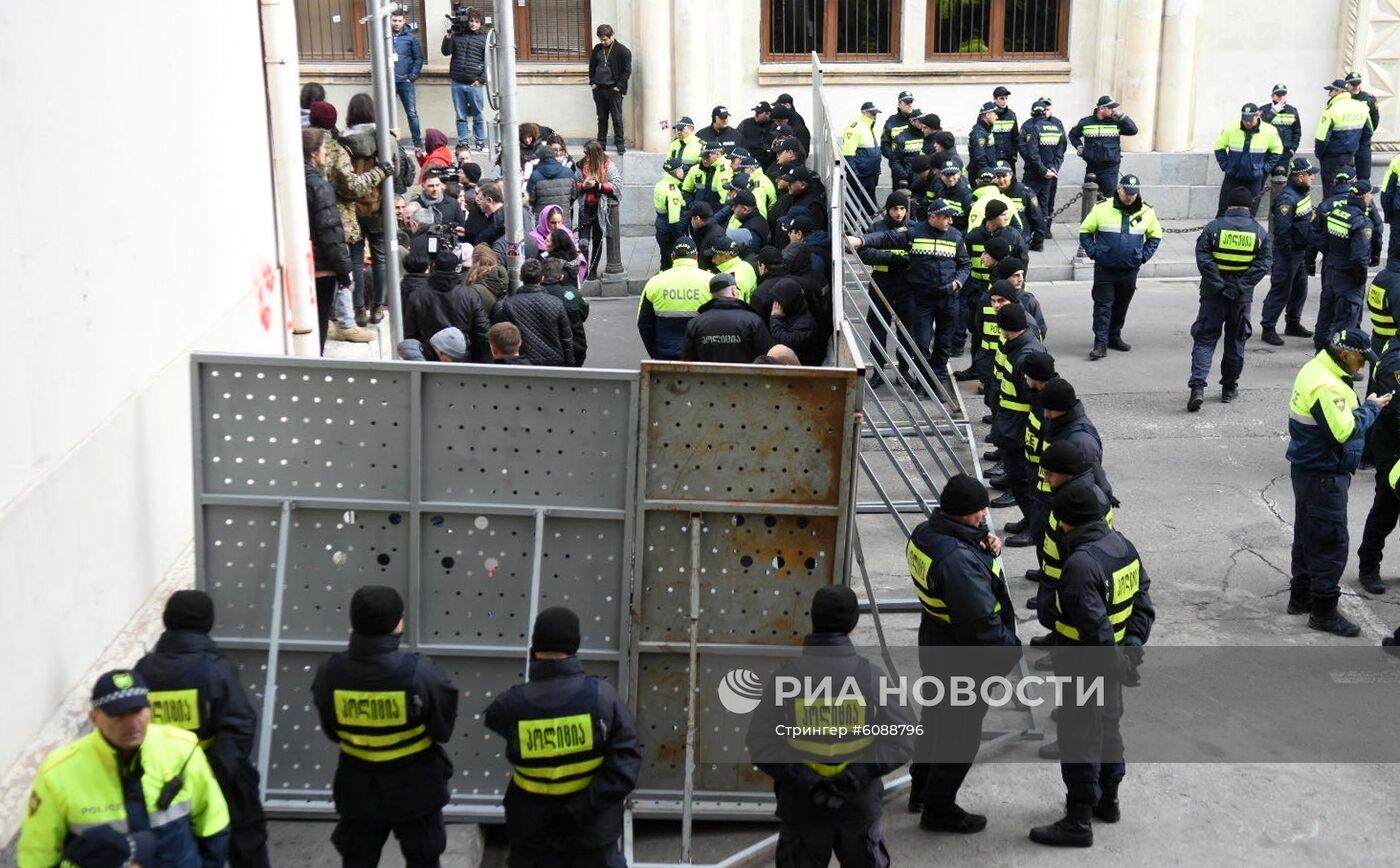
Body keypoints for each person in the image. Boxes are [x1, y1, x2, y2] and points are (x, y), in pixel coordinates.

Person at [746, 586, 914, 865]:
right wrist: (856, 777)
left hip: (802, 807)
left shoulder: (786, 678)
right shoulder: (870, 677)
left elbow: (761, 742)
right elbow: (904, 736)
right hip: (858, 808)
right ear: (853, 624)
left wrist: (808, 782)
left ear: (813, 618)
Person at [1028, 482, 1153, 848]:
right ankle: (1107, 801)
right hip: (1114, 660)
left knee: (1079, 737)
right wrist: (1129, 650)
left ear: (1065, 522)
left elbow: (1093, 626)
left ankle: (1078, 820)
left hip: (1087, 662)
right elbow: (1143, 605)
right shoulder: (1123, 547)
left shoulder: (1081, 564)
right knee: (1108, 730)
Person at [19, 669, 230, 867]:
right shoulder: (59, 772)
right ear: (95, 718)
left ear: (150, 707)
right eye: (118, 714)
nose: (131, 723)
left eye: (137, 711)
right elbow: (37, 855)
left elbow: (214, 823)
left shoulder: (182, 750)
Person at [312, 585, 458, 867]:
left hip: (357, 787)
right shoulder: (420, 671)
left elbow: (331, 729)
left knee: (358, 860)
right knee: (424, 859)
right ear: (397, 623)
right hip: (417, 788)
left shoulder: (330, 670)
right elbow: (443, 727)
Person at [905, 474, 1020, 831]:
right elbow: (981, 623)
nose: (985, 514)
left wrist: (980, 543)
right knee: (960, 735)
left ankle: (921, 790)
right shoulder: (958, 562)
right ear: (958, 514)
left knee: (936, 720)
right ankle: (939, 809)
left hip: (937, 643)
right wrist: (1008, 653)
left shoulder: (925, 534)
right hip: (964, 655)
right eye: (978, 511)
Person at [484, 607, 640, 867]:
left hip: (531, 834)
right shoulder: (603, 698)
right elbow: (625, 767)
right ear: (575, 646)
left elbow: (494, 721)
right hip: (592, 834)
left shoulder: (510, 703)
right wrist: (577, 812)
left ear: (535, 647)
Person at [134, 590, 269, 868]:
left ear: (167, 620)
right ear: (208, 623)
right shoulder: (216, 669)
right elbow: (240, 724)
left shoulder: (144, 669)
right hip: (219, 776)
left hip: (157, 777)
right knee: (245, 841)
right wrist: (211, 770)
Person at [1285, 328, 1391, 634]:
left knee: (1307, 533)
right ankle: (1323, 613)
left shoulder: (1316, 368)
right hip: (1324, 474)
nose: (1361, 368)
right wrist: (1371, 408)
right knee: (1331, 541)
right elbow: (1343, 431)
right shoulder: (1326, 385)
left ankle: (1301, 596)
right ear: (1344, 355)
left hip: (1309, 470)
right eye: (1360, 361)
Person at [848, 200, 971, 396]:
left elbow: (965, 265)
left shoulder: (955, 236)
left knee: (944, 344)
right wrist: (861, 240)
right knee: (921, 345)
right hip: (923, 300)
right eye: (946, 217)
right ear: (932, 217)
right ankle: (923, 385)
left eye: (951, 217)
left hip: (949, 299)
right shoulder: (914, 232)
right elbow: (886, 238)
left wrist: (957, 283)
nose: (950, 220)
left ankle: (936, 384)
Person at [1187, 186, 1274, 410]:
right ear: (1249, 206)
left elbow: (1203, 258)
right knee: (1235, 342)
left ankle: (1198, 387)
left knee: (1205, 340)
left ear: (1229, 205)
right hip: (1241, 299)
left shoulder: (1213, 228)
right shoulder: (1258, 232)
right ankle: (1228, 388)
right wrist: (1239, 287)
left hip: (1212, 296)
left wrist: (1219, 285)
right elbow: (1263, 264)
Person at [1078, 175, 1163, 359]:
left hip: (1129, 269)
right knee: (1103, 306)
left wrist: (1143, 257)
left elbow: (1155, 236)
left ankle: (1114, 336)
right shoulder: (1102, 208)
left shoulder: (1146, 211)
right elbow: (1085, 231)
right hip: (1105, 269)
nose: (1130, 197)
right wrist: (1095, 253)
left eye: (1134, 194)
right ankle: (1100, 344)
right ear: (1118, 189)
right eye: (1127, 193)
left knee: (1122, 305)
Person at [989, 304, 1050, 528]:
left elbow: (1031, 399)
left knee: (1021, 479)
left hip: (1018, 427)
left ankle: (1033, 525)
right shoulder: (1019, 346)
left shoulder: (1023, 356)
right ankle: (1030, 520)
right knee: (1019, 478)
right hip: (1012, 422)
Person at [341, 93, 400, 325]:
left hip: (352, 207)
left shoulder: (343, 141)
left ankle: (358, 309)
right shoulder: (384, 138)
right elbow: (394, 172)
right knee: (381, 258)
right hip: (379, 207)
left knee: (354, 260)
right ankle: (377, 307)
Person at [305, 128, 364, 352]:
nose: (326, 154)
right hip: (322, 266)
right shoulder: (319, 185)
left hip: (309, 262)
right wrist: (343, 271)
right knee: (318, 321)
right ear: (313, 153)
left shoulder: (299, 179)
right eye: (322, 150)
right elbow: (330, 231)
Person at [1260, 158, 1319, 345]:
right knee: (1281, 290)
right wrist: (1286, 256)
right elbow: (1283, 231)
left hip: (1300, 251)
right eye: (1310, 174)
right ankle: (1268, 327)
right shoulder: (1287, 199)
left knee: (1300, 289)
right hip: (1288, 253)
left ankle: (1292, 323)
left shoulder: (1302, 193)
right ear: (1300, 177)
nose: (1313, 177)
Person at [1358, 329, 1400, 593]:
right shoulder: (1395, 362)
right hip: (1393, 447)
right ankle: (1369, 566)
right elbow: (1396, 413)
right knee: (1386, 507)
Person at [1311, 180, 1379, 343]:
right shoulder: (1362, 222)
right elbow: (1359, 257)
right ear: (1364, 197)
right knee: (1346, 323)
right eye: (1371, 195)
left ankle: (1320, 350)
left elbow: (1320, 240)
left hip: (1331, 269)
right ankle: (1338, 360)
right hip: (1348, 276)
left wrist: (1332, 256)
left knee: (1326, 315)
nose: (1372, 198)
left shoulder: (1336, 213)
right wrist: (1360, 279)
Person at [858, 193, 913, 387]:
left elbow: (915, 255)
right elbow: (865, 253)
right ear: (887, 210)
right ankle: (878, 372)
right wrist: (893, 258)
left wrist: (886, 255)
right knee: (878, 329)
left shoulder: (913, 229)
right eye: (895, 209)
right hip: (881, 284)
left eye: (902, 209)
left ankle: (904, 371)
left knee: (906, 331)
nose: (899, 213)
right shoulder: (876, 228)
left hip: (906, 287)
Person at [403, 249, 493, 362]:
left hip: (430, 355)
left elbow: (410, 333)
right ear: (456, 268)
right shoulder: (469, 295)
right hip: (462, 355)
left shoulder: (417, 296)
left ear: (433, 266)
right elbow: (482, 331)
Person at [491, 259, 576, 367]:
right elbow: (566, 339)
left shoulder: (508, 305)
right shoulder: (556, 303)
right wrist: (570, 366)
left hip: (523, 362)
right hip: (553, 361)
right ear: (542, 278)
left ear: (520, 277)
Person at [637, 239, 712, 360]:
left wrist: (655, 352)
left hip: (665, 355)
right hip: (701, 355)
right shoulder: (710, 281)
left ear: (672, 257)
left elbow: (644, 323)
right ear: (696, 256)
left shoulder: (655, 282)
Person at [681, 273, 773, 363]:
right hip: (744, 378)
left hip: (706, 378)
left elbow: (687, 360)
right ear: (733, 291)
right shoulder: (753, 321)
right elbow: (766, 357)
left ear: (712, 295)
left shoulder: (695, 323)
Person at [1212, 103, 1284, 217]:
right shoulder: (1231, 128)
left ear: (1258, 116)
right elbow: (1219, 147)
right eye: (1245, 120)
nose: (1247, 123)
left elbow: (1277, 150)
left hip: (1254, 178)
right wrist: (1226, 166)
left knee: (1250, 212)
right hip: (1232, 177)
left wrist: (1265, 169)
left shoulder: (1269, 131)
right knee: (1223, 209)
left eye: (1250, 120)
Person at [1068, 96, 1138, 199]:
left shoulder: (1116, 122)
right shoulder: (1086, 122)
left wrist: (1122, 116)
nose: (1113, 110)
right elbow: (1073, 135)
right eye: (1110, 108)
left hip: (1110, 169)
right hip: (1092, 167)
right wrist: (1079, 147)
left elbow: (1133, 130)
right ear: (1101, 109)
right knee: (1090, 198)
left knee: (1108, 199)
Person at [1315, 78, 1374, 198]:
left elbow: (1321, 139)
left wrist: (1319, 155)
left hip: (1330, 158)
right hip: (1349, 158)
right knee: (1346, 189)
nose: (1329, 94)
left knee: (1330, 191)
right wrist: (1354, 147)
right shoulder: (1362, 107)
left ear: (1339, 91)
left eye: (1331, 90)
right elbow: (1368, 132)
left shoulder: (1331, 110)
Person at [1020, 98, 1066, 246]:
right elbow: (1023, 147)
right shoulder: (1028, 125)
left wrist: (1051, 169)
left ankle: (1042, 232)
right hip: (1040, 171)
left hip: (1043, 172)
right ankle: (1037, 236)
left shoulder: (1055, 124)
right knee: (1040, 204)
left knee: (1038, 202)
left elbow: (1035, 152)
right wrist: (1048, 169)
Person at [442, 6, 488, 149]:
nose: (473, 24)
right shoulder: (457, 35)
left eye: (476, 21)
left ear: (481, 23)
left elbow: (490, 62)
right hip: (457, 81)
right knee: (461, 115)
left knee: (478, 114)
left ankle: (480, 140)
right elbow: (445, 52)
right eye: (471, 21)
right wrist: (449, 36)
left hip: (474, 83)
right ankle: (463, 141)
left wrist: (481, 80)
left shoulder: (485, 38)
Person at [575, 141, 622, 279]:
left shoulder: (607, 164)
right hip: (585, 207)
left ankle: (593, 270)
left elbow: (616, 184)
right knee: (583, 242)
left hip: (600, 208)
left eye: (588, 154)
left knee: (597, 240)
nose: (586, 157)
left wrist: (598, 185)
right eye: (585, 154)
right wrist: (584, 185)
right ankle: (583, 269)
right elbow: (575, 184)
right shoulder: (580, 165)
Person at [589, 24, 631, 153]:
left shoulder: (622, 51)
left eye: (605, 39)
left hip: (614, 89)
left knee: (616, 118)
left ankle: (620, 143)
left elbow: (626, 71)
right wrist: (592, 83)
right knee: (601, 118)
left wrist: (619, 87)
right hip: (599, 88)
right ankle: (601, 144)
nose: (603, 42)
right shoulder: (597, 49)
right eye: (601, 39)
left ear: (612, 35)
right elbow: (592, 66)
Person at [541, 257, 589, 365]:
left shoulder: (537, 296)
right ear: (561, 276)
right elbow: (584, 314)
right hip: (575, 346)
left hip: (546, 351)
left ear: (542, 277)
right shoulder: (573, 294)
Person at [390, 9, 424, 150]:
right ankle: (387, 141)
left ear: (404, 21)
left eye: (399, 21)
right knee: (384, 113)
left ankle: (417, 142)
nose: (397, 23)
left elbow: (418, 58)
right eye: (394, 20)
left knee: (411, 113)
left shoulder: (411, 38)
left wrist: (412, 77)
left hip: (405, 81)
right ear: (390, 20)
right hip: (388, 82)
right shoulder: (384, 36)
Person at [842, 101, 883, 202]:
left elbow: (876, 150)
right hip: (860, 174)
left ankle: (870, 217)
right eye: (872, 113)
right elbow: (848, 154)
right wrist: (854, 174)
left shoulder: (874, 127)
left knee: (870, 202)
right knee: (854, 202)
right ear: (864, 113)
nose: (875, 116)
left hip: (872, 172)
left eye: (876, 113)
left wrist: (877, 169)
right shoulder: (854, 128)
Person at [1345, 71, 1381, 182]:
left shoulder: (1369, 99)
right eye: (1353, 84)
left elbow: (1375, 120)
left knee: (1364, 175)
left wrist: (1366, 134)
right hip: (1346, 141)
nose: (1356, 87)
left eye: (1358, 84)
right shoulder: (1342, 99)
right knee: (1345, 175)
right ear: (1347, 85)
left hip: (1363, 142)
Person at [654, 157, 688, 270]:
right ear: (677, 172)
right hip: (669, 231)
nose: (683, 172)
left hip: (660, 227)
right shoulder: (673, 192)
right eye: (682, 169)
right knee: (672, 261)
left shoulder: (661, 184)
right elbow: (674, 220)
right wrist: (680, 238)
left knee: (664, 258)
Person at [1260, 83, 1302, 168]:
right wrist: (1273, 112)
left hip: (1285, 154)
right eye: (1279, 95)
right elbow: (1259, 126)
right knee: (1262, 179)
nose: (1282, 98)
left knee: (1280, 180)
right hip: (1267, 153)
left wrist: (1292, 150)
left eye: (1284, 95)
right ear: (1272, 96)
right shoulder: (1263, 110)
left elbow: (1297, 132)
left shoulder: (1292, 111)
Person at [528, 143, 576, 213]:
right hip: (563, 214)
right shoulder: (568, 173)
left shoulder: (535, 175)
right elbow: (574, 194)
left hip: (542, 215)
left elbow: (531, 198)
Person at [881, 91, 918, 178]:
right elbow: (885, 144)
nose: (910, 105)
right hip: (899, 169)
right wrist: (895, 159)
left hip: (918, 169)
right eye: (906, 102)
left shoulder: (919, 119)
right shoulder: (892, 121)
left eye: (911, 102)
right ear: (899, 104)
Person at [988, 86, 1020, 177]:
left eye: (1006, 98)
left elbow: (1015, 137)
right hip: (993, 157)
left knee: (1010, 183)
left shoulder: (1011, 115)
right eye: (1001, 98)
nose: (1004, 101)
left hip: (1009, 158)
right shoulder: (989, 114)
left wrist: (1014, 155)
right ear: (994, 99)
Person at [738, 101, 779, 169]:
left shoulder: (774, 125)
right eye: (756, 112)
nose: (756, 115)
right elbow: (737, 138)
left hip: (767, 164)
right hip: (748, 163)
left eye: (759, 113)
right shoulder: (746, 123)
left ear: (768, 114)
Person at [968, 102, 999, 180]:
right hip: (982, 175)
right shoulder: (978, 133)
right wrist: (987, 175)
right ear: (988, 115)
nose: (997, 117)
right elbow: (980, 157)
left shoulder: (986, 130)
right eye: (995, 114)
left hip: (987, 171)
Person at [1382, 151, 1400, 264]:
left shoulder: (1397, 160)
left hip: (1398, 214)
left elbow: (1386, 191)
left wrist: (1389, 216)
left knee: (1395, 246)